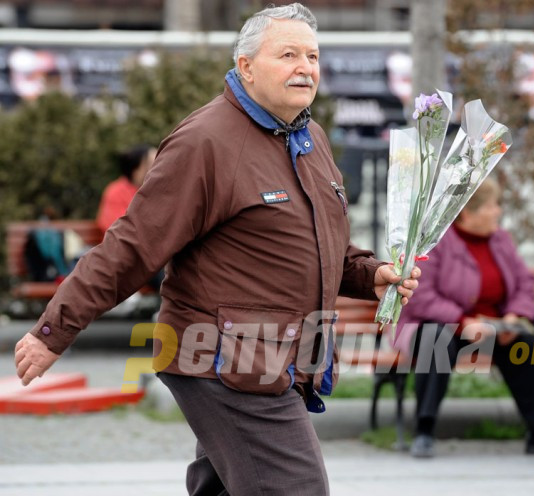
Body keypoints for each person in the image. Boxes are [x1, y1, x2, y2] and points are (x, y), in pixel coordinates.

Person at [14, 4, 421, 495]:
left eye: (312, 56)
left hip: (274, 359)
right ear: (245, 67)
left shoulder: (308, 137)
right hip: (223, 362)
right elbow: (132, 246)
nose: (305, 67)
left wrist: (368, 274)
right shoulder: (205, 141)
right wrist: (52, 331)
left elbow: (310, 242)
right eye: (288, 54)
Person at [395, 178, 534, 458]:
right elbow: (421, 295)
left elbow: (524, 284)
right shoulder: (433, 242)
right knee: (437, 341)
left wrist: (515, 317)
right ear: (467, 213)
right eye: (492, 206)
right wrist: (463, 321)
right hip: (440, 326)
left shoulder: (501, 239)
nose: (498, 212)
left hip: (494, 329)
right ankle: (424, 430)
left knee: (532, 340)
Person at [96, 144, 156, 232]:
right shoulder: (116, 191)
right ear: (136, 170)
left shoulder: (156, 190)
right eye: (151, 164)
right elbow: (117, 227)